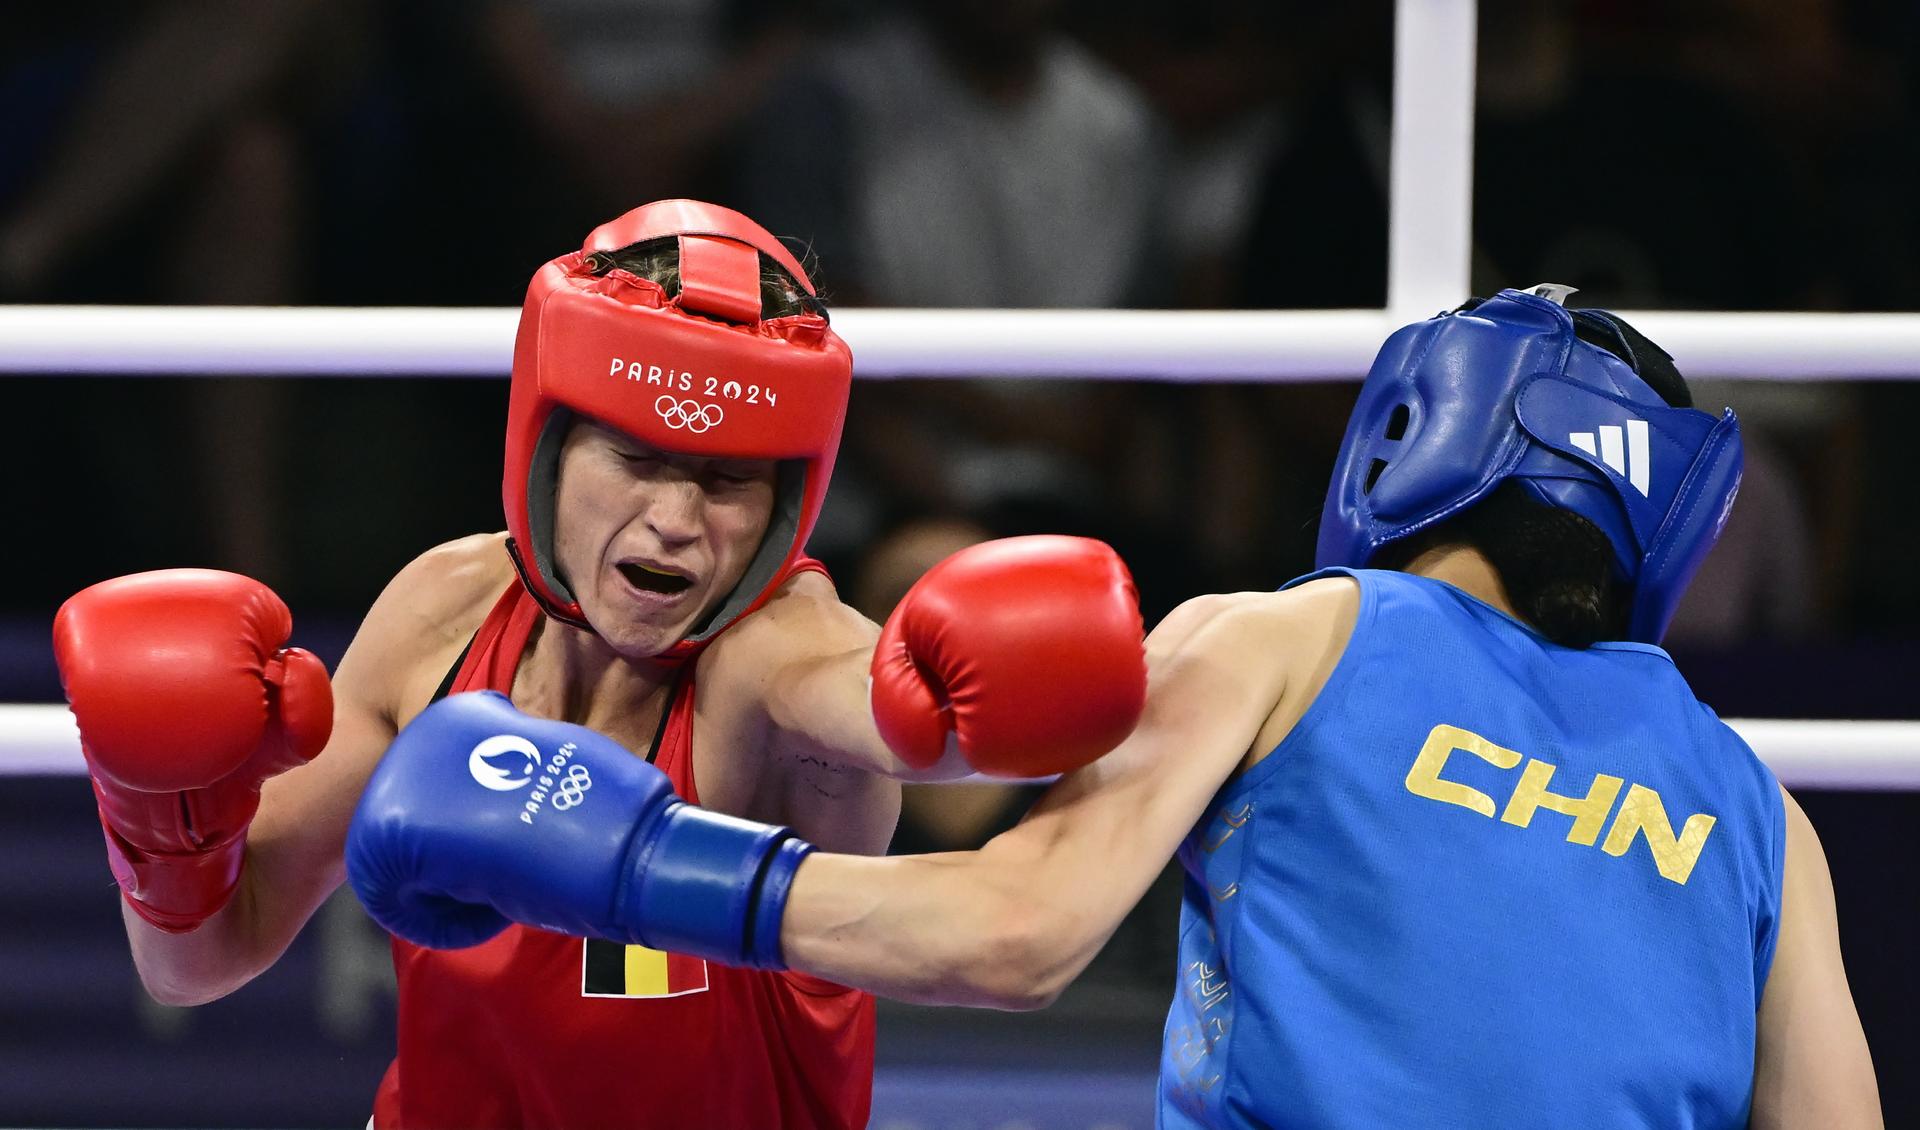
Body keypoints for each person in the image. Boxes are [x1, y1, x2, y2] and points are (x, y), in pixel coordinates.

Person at [349, 286, 1881, 1127]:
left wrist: (629, 862)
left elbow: (1015, 931)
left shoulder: (1294, 635)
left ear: (1411, 438)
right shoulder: (1762, 814)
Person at [51, 199, 1148, 1129]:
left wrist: (963, 706)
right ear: (548, 441)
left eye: (725, 482)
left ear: (787, 499)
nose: (673, 521)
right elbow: (195, 963)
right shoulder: (444, 614)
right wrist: (162, 821)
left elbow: (885, 711)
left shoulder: (771, 654)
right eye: (635, 456)